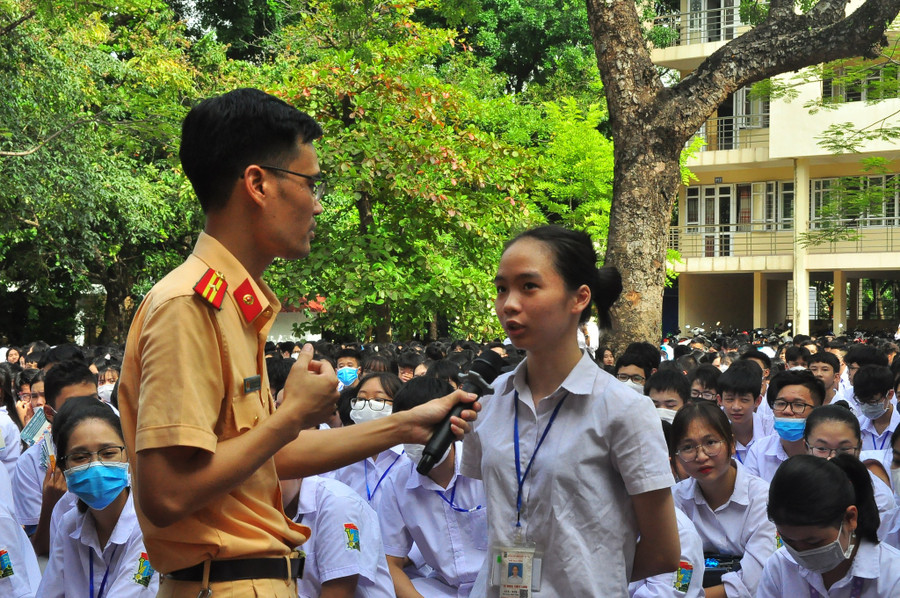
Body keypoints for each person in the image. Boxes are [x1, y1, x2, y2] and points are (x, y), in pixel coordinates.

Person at [117, 88, 479, 598]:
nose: (316, 203)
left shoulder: (234, 309)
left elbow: (263, 459)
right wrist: (291, 416)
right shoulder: (188, 305)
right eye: (310, 182)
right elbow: (167, 494)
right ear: (258, 183)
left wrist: (404, 425)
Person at [461, 225, 679, 597]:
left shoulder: (624, 410)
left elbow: (664, 551)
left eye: (529, 286)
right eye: (501, 289)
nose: (509, 304)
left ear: (579, 298)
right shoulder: (490, 400)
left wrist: (586, 576)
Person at [36, 395, 159, 597]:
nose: (95, 465)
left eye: (108, 453)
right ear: (63, 468)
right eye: (80, 457)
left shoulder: (148, 526)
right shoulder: (69, 524)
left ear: (128, 453)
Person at [376, 377, 488, 598]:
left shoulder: (484, 467)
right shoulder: (398, 482)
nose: (416, 436)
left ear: (451, 424)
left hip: (497, 585)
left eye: (426, 427)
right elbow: (389, 561)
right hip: (442, 588)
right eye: (407, 428)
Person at [670, 401, 777, 598]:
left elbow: (756, 579)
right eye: (688, 447)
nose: (701, 456)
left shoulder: (764, 499)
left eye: (710, 443)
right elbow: (673, 571)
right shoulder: (674, 500)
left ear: (731, 445)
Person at [759, 454, 900, 597]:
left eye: (813, 542)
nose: (801, 553)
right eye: (789, 541)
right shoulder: (780, 567)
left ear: (850, 518)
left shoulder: (893, 577)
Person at [281, 474, 395, 598]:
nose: (264, 487)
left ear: (296, 469)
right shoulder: (269, 507)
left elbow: (339, 593)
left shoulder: (340, 506)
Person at [802, 404, 896, 517]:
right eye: (822, 449)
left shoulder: (879, 499)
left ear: (860, 447)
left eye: (844, 449)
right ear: (806, 447)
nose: (832, 458)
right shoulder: (795, 485)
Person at [743, 369, 825, 483]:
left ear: (817, 410)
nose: (787, 411)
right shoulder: (759, 450)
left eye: (798, 405)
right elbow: (750, 494)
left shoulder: (827, 452)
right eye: (781, 404)